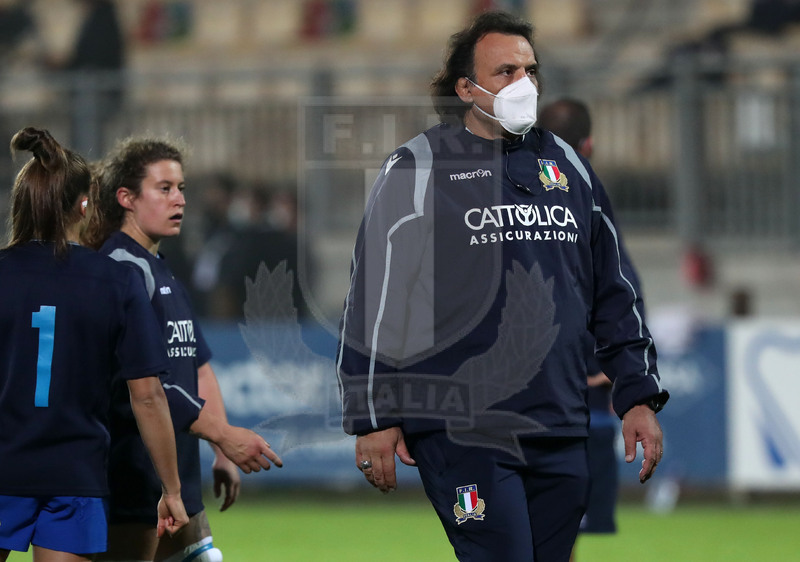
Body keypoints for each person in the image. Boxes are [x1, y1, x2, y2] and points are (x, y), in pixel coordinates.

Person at [336, 11, 668, 562]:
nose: (525, 84)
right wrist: (373, 416)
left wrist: (638, 395)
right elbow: (374, 298)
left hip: (560, 422)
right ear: (466, 88)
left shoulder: (568, 166)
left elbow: (614, 292)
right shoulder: (417, 167)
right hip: (462, 427)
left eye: (531, 70)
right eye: (506, 71)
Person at [83, 136, 283, 562]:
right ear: (126, 198)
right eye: (164, 188)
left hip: (176, 476)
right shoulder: (120, 270)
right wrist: (225, 436)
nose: (180, 200)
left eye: (182, 188)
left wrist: (218, 450)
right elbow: (145, 387)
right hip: (133, 475)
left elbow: (198, 365)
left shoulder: (159, 267)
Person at [0, 127, 188, 561]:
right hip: (74, 476)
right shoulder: (115, 280)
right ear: (84, 204)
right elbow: (147, 396)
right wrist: (172, 490)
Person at [539, 98, 620, 560]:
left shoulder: (501, 205)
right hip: (572, 414)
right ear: (588, 146)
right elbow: (619, 300)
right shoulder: (592, 211)